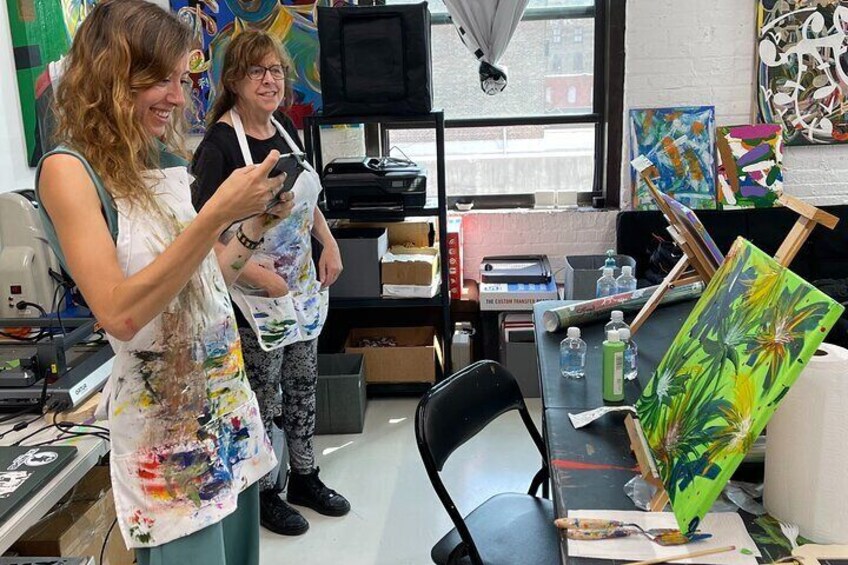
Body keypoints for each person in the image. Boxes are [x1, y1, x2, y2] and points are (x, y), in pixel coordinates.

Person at [35, 1, 294, 563]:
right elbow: (121, 315)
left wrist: (251, 226)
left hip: (226, 414)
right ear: (111, 74)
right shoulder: (69, 171)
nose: (178, 97)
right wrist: (210, 217)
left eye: (182, 79)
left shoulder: (163, 160)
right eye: (162, 81)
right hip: (166, 443)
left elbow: (205, 285)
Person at [191, 29, 349, 537]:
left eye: (276, 70)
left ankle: (305, 475)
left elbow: (306, 199)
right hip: (253, 295)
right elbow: (200, 235)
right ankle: (265, 492)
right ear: (234, 80)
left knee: (303, 384)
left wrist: (329, 242)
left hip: (300, 285)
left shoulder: (283, 128)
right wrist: (259, 275)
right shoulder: (218, 146)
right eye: (257, 71)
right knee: (264, 395)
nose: (270, 80)